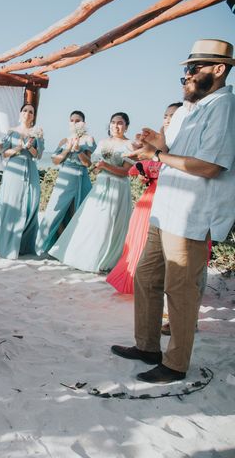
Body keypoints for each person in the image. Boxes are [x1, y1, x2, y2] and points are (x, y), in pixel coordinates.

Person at [112, 39, 235, 384]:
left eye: (194, 68)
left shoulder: (224, 107)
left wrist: (157, 156)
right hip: (164, 207)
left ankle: (176, 363)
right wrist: (152, 145)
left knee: (179, 290)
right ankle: (147, 347)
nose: (187, 75)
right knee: (146, 277)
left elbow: (211, 166)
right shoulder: (185, 109)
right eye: (185, 69)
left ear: (219, 69)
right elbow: (170, 151)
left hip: (191, 214)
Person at [106, 103, 182, 294]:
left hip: (173, 198)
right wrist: (144, 172)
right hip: (149, 199)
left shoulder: (184, 141)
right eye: (166, 115)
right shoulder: (158, 141)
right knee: (140, 240)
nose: (168, 119)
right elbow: (142, 167)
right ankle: (137, 281)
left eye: (173, 115)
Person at [49, 112, 133, 272]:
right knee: (92, 221)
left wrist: (105, 166)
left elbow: (125, 172)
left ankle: (107, 259)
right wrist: (78, 151)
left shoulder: (130, 145)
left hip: (118, 187)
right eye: (113, 122)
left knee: (112, 222)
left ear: (126, 126)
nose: (116, 126)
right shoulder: (102, 143)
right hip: (101, 185)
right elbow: (93, 168)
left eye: (120, 123)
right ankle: (86, 256)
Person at [36, 110, 96, 254]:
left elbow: (88, 163)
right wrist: (68, 149)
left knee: (79, 213)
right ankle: (57, 246)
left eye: (78, 120)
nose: (74, 123)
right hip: (64, 177)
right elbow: (56, 160)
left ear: (83, 123)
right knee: (55, 213)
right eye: (72, 120)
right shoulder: (64, 140)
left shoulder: (89, 139)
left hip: (81, 177)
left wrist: (78, 150)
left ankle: (74, 248)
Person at [0, 103, 44, 258]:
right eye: (25, 110)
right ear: (20, 113)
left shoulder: (37, 132)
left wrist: (29, 147)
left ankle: (23, 246)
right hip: (13, 171)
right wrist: (19, 147)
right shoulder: (12, 131)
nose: (27, 113)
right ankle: (8, 246)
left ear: (33, 116)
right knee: (12, 204)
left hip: (30, 170)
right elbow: (5, 153)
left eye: (31, 111)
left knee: (31, 204)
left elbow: (38, 155)